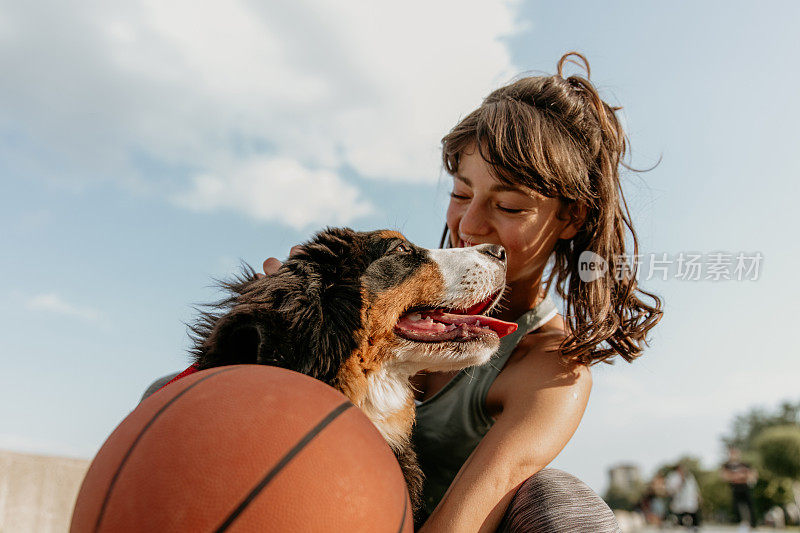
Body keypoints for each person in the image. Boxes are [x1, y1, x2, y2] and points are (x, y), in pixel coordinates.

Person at [148, 52, 662, 532]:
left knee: (559, 501)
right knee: (172, 394)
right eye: (462, 194)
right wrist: (290, 329)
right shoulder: (401, 286)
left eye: (508, 207)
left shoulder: (550, 370)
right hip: (311, 504)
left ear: (570, 216)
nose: (472, 226)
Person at [720, 447, 758, 530]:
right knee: (736, 506)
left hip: (745, 487)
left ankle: (752, 524)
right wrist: (737, 476)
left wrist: (740, 476)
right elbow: (725, 476)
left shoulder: (744, 464)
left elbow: (751, 474)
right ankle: (740, 522)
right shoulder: (727, 465)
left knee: (749, 505)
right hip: (735, 488)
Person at [665, 464, 702, 530]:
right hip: (678, 500)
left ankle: (694, 526)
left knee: (692, 513)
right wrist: (681, 482)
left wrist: (698, 496)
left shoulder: (689, 476)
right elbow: (670, 488)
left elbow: (695, 487)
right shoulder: (673, 477)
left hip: (690, 500)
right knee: (679, 513)